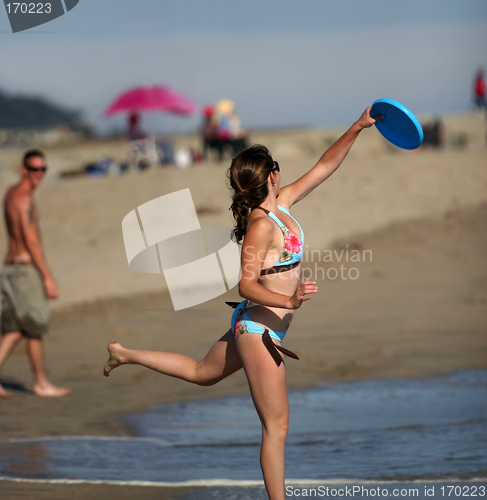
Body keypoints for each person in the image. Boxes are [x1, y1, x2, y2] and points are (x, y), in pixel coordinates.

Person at [104, 107, 380, 499]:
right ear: (271, 174)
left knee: (203, 372)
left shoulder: (281, 205)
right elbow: (246, 284)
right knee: (276, 427)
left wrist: (357, 127)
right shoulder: (261, 225)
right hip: (259, 332)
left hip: (254, 325)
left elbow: (324, 166)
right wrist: (290, 299)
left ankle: (125, 354)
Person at [0, 149, 71, 398]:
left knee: (15, 329)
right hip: (24, 271)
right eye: (34, 169)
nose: (39, 174)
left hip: (8, 269)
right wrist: (48, 277)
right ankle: (41, 383)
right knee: (34, 327)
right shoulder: (26, 200)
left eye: (43, 169)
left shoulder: (10, 193)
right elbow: (31, 241)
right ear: (23, 170)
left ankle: (41, 382)